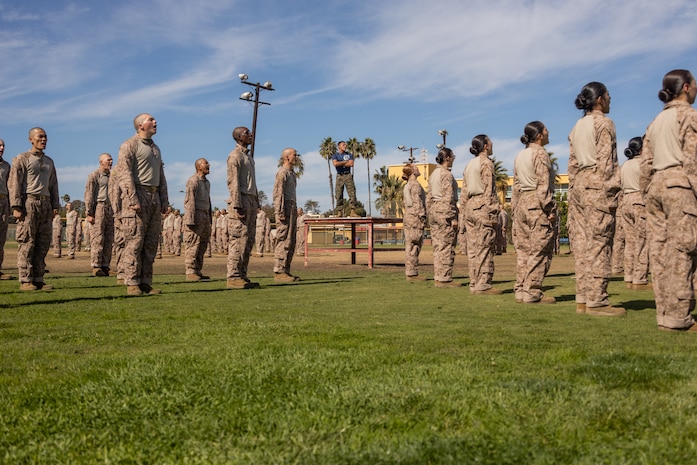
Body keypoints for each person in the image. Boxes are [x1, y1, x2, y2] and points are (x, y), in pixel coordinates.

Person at [640, 69, 697, 331]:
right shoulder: (688, 115)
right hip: (678, 182)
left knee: (660, 252)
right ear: (686, 87)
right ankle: (679, 316)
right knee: (683, 250)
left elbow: (645, 163)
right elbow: (693, 159)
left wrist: (645, 192)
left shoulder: (655, 122)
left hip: (655, 186)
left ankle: (664, 313)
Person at [568, 82, 625, 316]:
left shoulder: (577, 126)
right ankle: (598, 301)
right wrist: (612, 192)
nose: (611, 99)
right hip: (596, 183)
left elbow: (571, 163)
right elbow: (606, 162)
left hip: (579, 183)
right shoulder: (603, 123)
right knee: (600, 243)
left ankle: (583, 297)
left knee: (582, 245)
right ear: (599, 99)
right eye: (608, 95)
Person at [116, 113, 168, 296]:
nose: (155, 122)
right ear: (140, 126)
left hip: (154, 197)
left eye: (155, 119)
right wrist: (132, 199)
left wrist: (164, 199)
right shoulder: (129, 145)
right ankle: (132, 282)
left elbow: (161, 176)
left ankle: (145, 281)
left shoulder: (155, 148)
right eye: (151, 120)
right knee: (135, 241)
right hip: (138, 194)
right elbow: (124, 174)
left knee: (151, 243)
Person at [8, 127, 60, 290]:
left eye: (45, 137)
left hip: (45, 204)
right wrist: (16, 205)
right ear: (31, 139)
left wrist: (55, 205)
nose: (43, 140)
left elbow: (53, 185)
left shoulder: (49, 161)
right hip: (29, 203)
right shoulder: (22, 159)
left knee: (43, 242)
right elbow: (14, 183)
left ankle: (38, 278)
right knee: (27, 242)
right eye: (40, 137)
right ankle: (25, 279)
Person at [512, 121, 557, 304]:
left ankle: (521, 289)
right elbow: (543, 184)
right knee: (539, 250)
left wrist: (515, 209)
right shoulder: (540, 153)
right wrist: (550, 208)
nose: (548, 132)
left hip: (522, 203)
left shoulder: (520, 155)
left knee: (523, 251)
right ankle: (532, 291)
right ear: (539, 135)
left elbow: (515, 185)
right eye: (546, 129)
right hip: (536, 203)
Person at [463, 135, 502, 295]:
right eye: (490, 141)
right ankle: (484, 284)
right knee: (485, 247)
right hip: (482, 206)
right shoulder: (486, 163)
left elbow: (464, 190)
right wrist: (493, 210)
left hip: (470, 206)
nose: (493, 143)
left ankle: (474, 282)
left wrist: (463, 210)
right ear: (485, 146)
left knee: (473, 248)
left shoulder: (469, 164)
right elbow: (488, 188)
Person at [226, 126, 259, 289]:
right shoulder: (235, 156)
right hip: (242, 200)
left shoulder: (248, 157)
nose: (250, 135)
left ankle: (242, 275)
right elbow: (233, 182)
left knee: (248, 240)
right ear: (239, 137)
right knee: (238, 239)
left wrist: (257, 202)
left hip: (251, 200)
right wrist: (237, 205)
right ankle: (233, 276)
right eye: (247, 133)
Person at [427, 147, 461, 287]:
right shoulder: (446, 174)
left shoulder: (433, 174)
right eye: (452, 156)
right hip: (444, 210)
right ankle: (445, 278)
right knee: (446, 245)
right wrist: (452, 216)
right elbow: (448, 196)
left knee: (438, 246)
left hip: (434, 210)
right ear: (447, 157)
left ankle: (438, 275)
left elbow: (429, 196)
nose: (453, 159)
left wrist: (430, 211)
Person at [620, 137, 650, 291]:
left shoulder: (625, 164)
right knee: (643, 241)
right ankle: (640, 278)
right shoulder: (643, 163)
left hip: (625, 201)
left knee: (630, 242)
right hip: (639, 200)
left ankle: (629, 277)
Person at [273, 147, 301, 282]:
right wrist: (280, 211)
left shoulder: (292, 174)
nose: (296, 157)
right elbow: (278, 193)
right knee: (283, 239)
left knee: (291, 240)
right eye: (294, 155)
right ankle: (279, 270)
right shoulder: (282, 173)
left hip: (292, 206)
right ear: (287, 157)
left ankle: (286, 269)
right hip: (285, 207)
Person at [84, 153, 114, 277]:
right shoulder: (94, 176)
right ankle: (96, 266)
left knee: (109, 238)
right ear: (101, 162)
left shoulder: (113, 176)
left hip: (111, 208)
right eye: (108, 160)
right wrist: (89, 212)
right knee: (98, 237)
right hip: (99, 207)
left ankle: (106, 265)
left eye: (112, 160)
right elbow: (89, 194)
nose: (111, 162)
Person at [183, 158, 212, 281]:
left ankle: (198, 270)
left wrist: (210, 218)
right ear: (199, 167)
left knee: (202, 244)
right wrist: (191, 220)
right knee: (193, 244)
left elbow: (209, 201)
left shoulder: (207, 182)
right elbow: (190, 201)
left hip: (205, 215)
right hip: (196, 215)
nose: (209, 165)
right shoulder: (193, 181)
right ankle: (190, 271)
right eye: (206, 163)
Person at [402, 163, 427, 281]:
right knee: (415, 245)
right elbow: (418, 204)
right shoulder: (415, 185)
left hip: (408, 215)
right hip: (415, 216)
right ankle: (412, 272)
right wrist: (423, 217)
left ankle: (411, 271)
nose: (418, 168)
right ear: (412, 171)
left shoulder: (407, 185)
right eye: (415, 167)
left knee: (410, 244)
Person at [333, 141, 358, 217]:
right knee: (339, 193)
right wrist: (344, 162)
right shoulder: (335, 155)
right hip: (339, 176)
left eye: (345, 144)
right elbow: (335, 164)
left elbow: (351, 164)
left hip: (348, 175)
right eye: (343, 145)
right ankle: (339, 212)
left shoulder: (349, 154)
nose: (345, 146)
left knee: (352, 193)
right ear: (339, 146)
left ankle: (352, 211)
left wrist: (340, 163)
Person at [0, 138, 12, 280]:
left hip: (3, 201)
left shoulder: (6, 166)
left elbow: (10, 186)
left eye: (3, 145)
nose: (2, 148)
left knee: (1, 238)